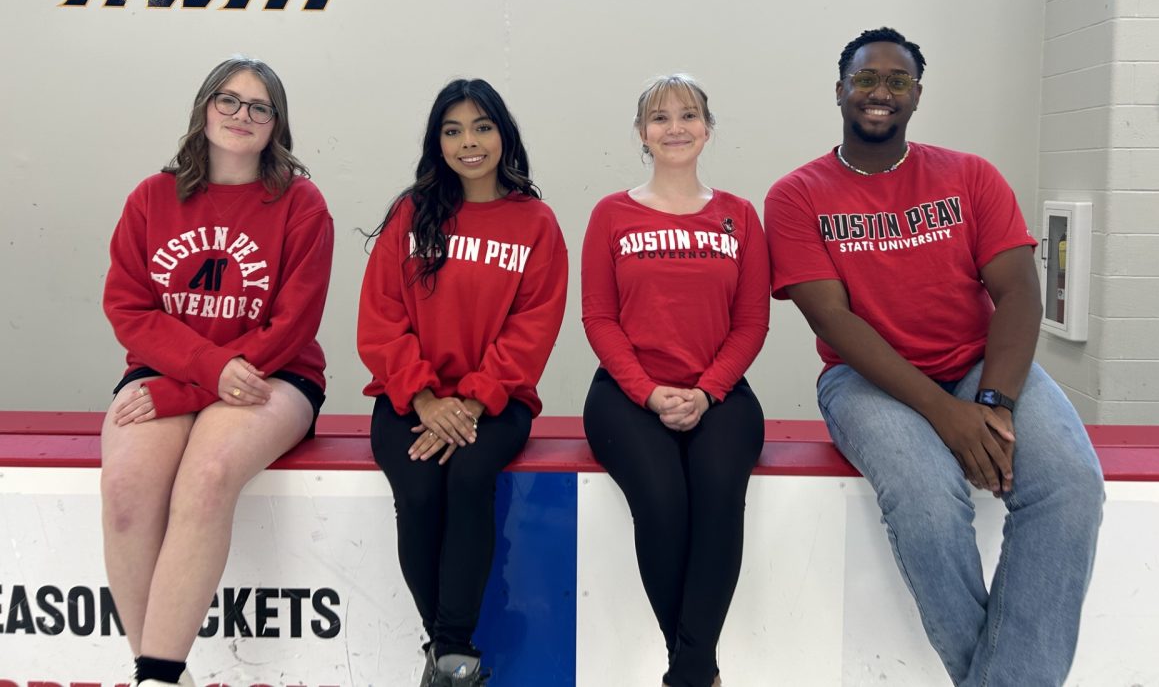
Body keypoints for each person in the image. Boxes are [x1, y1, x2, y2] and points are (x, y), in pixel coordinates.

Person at [764, 27, 1105, 686]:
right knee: (925, 499)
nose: (880, 92)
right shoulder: (797, 194)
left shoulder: (969, 175)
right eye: (866, 79)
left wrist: (993, 403)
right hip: (863, 381)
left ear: (917, 95)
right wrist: (948, 418)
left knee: (1070, 486)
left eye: (897, 81)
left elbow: (1018, 294)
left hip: (979, 365)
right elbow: (832, 318)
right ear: (840, 91)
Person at [101, 57, 334, 687]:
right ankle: (150, 671)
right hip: (170, 368)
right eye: (229, 101)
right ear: (204, 108)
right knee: (125, 489)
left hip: (274, 374)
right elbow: (128, 306)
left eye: (260, 107)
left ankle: (156, 676)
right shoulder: (153, 197)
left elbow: (294, 323)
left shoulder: (301, 205)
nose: (241, 116)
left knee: (206, 477)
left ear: (276, 125)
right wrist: (202, 373)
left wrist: (190, 387)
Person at [358, 78, 568, 687]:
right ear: (437, 141)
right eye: (452, 131)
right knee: (420, 491)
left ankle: (448, 653)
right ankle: (452, 656)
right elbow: (380, 316)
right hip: (409, 397)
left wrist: (470, 403)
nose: (468, 142)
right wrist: (427, 397)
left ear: (503, 134)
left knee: (471, 478)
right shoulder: (412, 213)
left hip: (496, 400)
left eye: (481, 127)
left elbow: (533, 327)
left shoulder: (535, 223)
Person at [581, 74, 769, 687]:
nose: (675, 127)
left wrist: (708, 391)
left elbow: (751, 321)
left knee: (718, 499)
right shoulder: (611, 213)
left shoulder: (740, 215)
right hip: (626, 393)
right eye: (659, 118)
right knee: (662, 505)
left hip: (720, 392)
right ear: (642, 134)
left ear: (707, 129)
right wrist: (649, 392)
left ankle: (687, 674)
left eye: (688, 115)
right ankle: (697, 672)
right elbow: (599, 318)